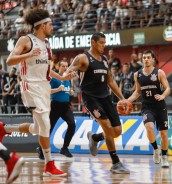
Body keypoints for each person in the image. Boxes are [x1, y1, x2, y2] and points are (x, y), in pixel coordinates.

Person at [0, 8, 76, 177]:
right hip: (29, 86)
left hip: (43, 87)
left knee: (37, 128)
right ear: (41, 26)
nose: (52, 27)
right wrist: (27, 55)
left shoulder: (47, 45)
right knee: (45, 123)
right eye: (49, 24)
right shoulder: (26, 40)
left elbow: (47, 70)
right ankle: (49, 164)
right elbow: (11, 60)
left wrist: (63, 78)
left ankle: (5, 129)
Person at [65, 32, 130, 174]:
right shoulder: (83, 58)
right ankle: (116, 163)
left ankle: (94, 137)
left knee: (117, 131)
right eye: (101, 43)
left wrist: (122, 98)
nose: (104, 46)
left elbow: (110, 80)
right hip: (90, 98)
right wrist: (70, 74)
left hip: (105, 97)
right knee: (107, 127)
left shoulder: (105, 59)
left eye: (104, 43)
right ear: (93, 42)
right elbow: (68, 71)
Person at [127, 50, 171, 168]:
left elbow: (168, 88)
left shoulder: (159, 72)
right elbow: (137, 92)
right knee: (150, 128)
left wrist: (163, 95)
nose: (146, 59)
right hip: (147, 106)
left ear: (153, 59)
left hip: (160, 106)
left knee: (163, 134)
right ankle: (156, 149)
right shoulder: (137, 75)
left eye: (148, 57)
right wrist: (127, 101)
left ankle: (165, 157)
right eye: (144, 57)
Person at [37, 60, 76, 159]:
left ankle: (65, 148)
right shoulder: (54, 78)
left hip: (65, 106)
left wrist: (71, 92)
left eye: (67, 66)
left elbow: (67, 91)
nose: (65, 68)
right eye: (63, 66)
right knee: (48, 129)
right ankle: (41, 149)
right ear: (58, 67)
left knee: (72, 124)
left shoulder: (68, 79)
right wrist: (58, 89)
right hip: (55, 106)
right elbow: (47, 91)